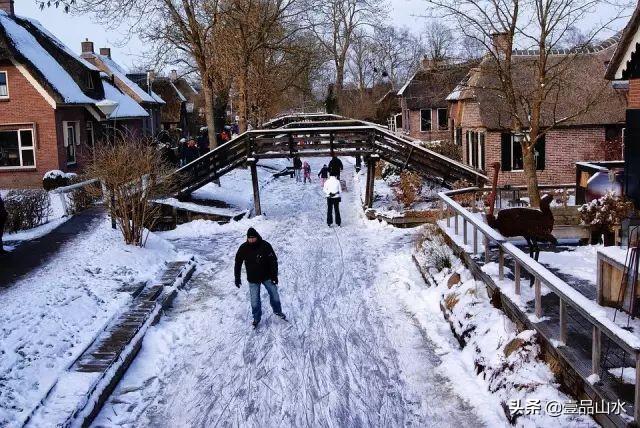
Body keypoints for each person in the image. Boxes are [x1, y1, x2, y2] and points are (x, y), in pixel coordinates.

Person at [235, 228, 286, 328]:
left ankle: (278, 311)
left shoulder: (265, 246)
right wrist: (237, 278)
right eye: (249, 238)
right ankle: (256, 318)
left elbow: (273, 261)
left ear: (257, 237)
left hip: (267, 276)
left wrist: (274, 276)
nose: (251, 240)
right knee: (254, 300)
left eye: (253, 238)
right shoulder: (244, 248)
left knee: (274, 294)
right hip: (253, 279)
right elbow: (238, 263)